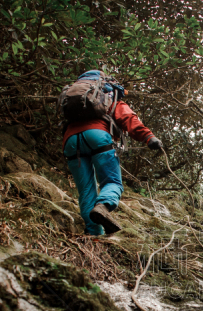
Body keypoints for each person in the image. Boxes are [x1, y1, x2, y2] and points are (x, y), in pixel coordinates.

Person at [62, 70, 163, 235]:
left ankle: (94, 234)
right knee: (112, 183)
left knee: (86, 190)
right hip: (98, 136)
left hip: (71, 140)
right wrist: (149, 137)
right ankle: (103, 206)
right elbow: (128, 117)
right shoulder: (107, 97)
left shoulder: (77, 100)